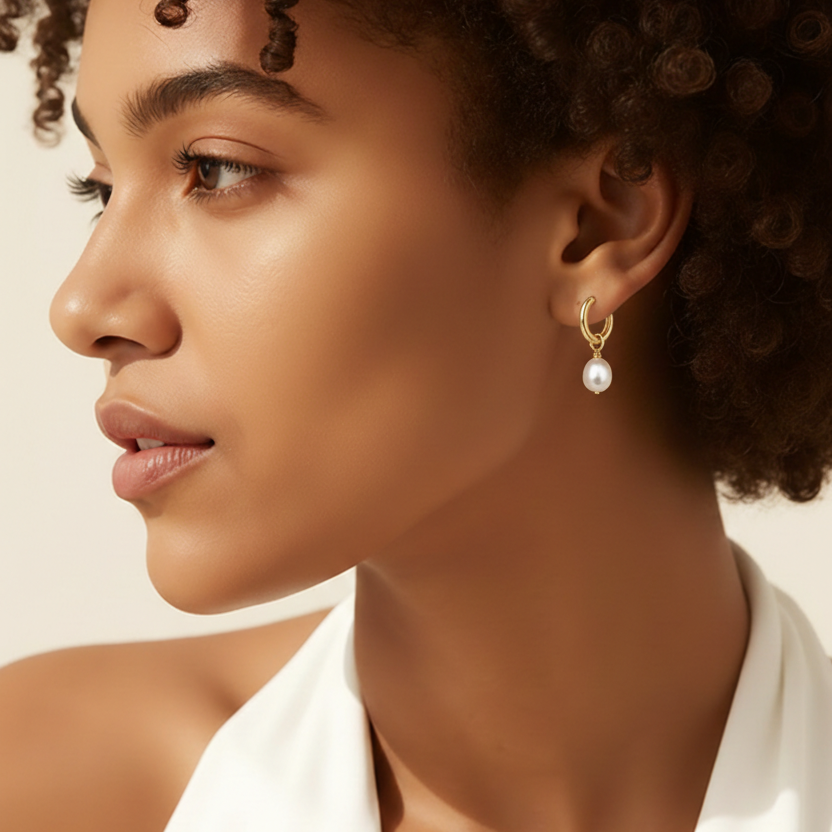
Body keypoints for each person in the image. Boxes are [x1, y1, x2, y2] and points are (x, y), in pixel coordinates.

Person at [2, 0, 832, 829]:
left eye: (214, 168)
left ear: (598, 224)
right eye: (100, 188)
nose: (80, 306)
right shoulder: (44, 786)